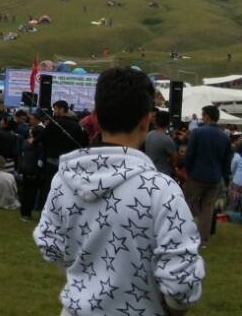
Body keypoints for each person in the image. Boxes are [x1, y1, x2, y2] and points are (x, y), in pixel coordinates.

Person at [33, 67, 204, 316]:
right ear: (146, 120)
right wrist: (174, 306)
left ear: (96, 117)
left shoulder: (63, 181)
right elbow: (182, 283)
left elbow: (50, 245)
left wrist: (87, 273)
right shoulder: (162, 190)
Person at [184, 105, 233, 245]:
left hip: (196, 176)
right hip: (215, 178)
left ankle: (182, 234)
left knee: (187, 205)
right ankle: (203, 240)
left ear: (207, 116)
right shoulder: (225, 137)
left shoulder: (197, 132)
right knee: (207, 209)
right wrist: (222, 176)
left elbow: (189, 155)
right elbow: (227, 161)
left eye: (203, 115)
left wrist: (189, 171)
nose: (201, 117)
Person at [18, 112, 46, 221]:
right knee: (34, 193)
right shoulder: (40, 146)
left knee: (26, 192)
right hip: (36, 171)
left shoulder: (26, 143)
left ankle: (25, 213)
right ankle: (34, 210)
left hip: (26, 170)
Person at [144, 111, 177, 177]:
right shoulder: (167, 140)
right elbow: (175, 160)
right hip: (162, 174)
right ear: (168, 122)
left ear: (156, 121)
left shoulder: (149, 134)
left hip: (148, 171)